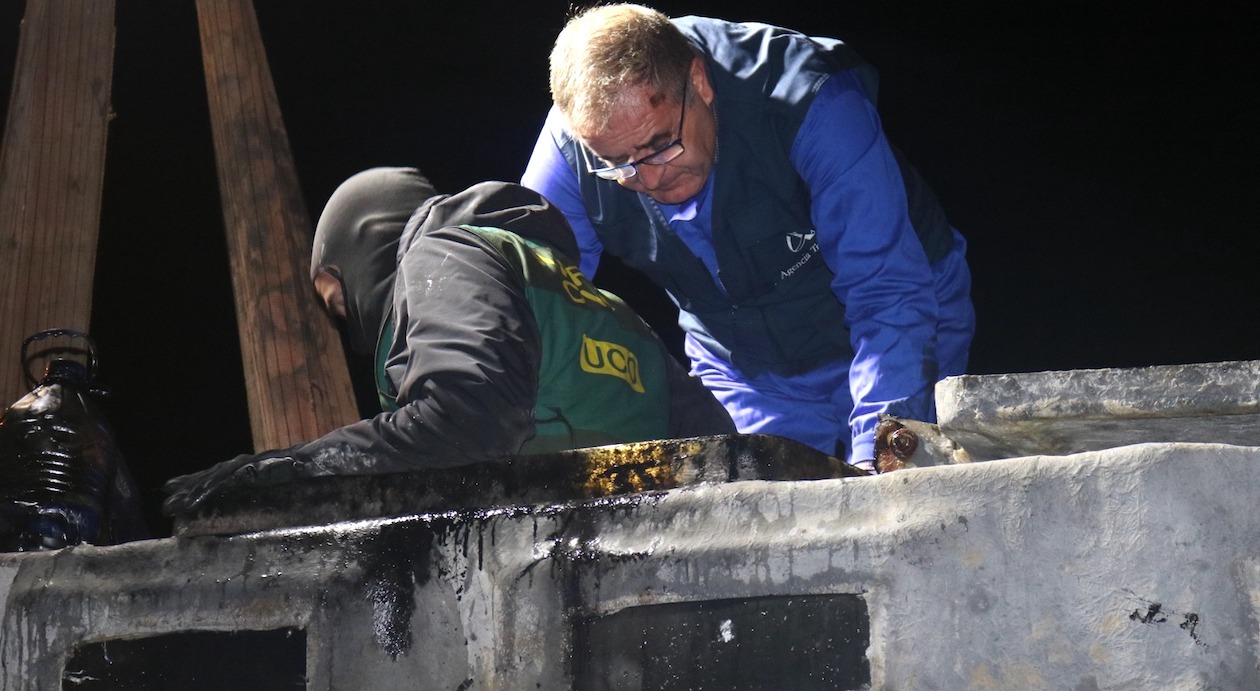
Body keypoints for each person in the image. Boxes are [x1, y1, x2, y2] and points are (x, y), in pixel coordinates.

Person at [521, 5, 976, 469]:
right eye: (620, 166)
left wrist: (879, 462)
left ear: (699, 82)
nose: (650, 180)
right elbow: (525, 296)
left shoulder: (811, 102)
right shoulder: (574, 147)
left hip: (901, 316)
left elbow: (888, 292)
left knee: (900, 490)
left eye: (660, 146)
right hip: (745, 369)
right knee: (764, 515)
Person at [162, 169, 735, 515]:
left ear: (367, 246)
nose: (348, 323)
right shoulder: (578, 295)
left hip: (582, 557)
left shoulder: (443, 256)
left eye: (337, 296)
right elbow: (721, 441)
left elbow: (468, 420)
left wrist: (285, 472)